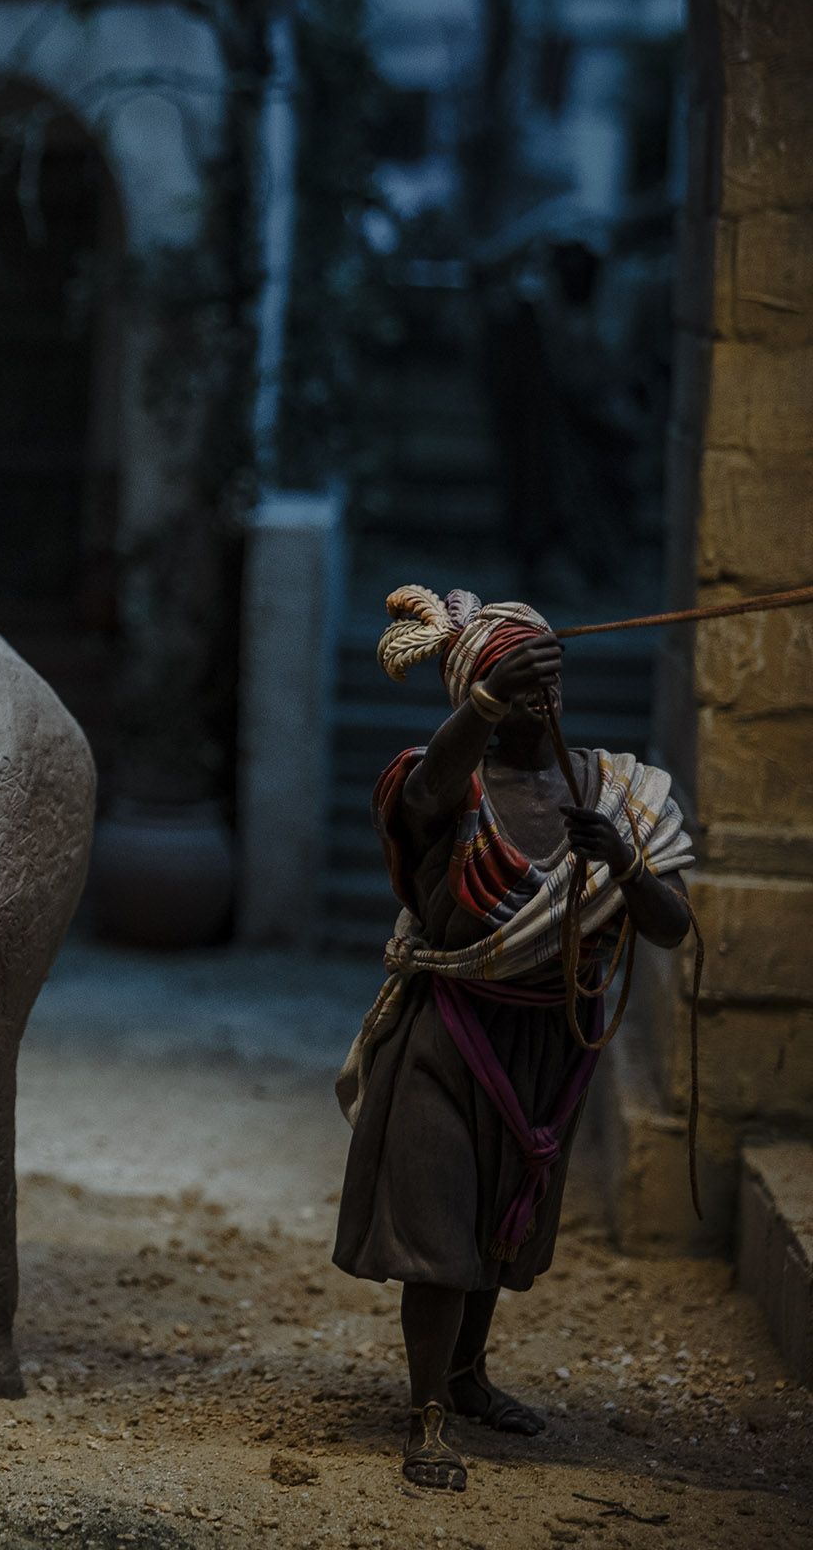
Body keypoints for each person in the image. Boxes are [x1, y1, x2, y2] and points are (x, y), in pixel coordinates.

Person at [333, 586, 694, 1492]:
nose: (543, 698)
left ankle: (468, 1376)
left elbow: (670, 927)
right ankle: (426, 1415)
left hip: (551, 1043)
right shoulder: (445, 788)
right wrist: (485, 699)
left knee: (502, 1218)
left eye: (546, 681)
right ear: (477, 694)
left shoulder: (620, 795)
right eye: (514, 684)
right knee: (439, 1222)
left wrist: (620, 860)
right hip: (451, 1035)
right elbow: (423, 794)